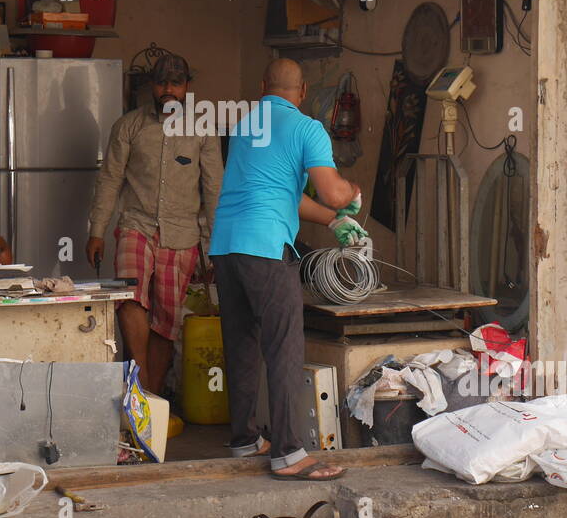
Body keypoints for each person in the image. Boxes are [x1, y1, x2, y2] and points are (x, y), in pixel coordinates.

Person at [209, 59, 367, 481]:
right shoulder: (306, 127)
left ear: (263, 86)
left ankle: (244, 439)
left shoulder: (245, 126)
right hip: (265, 247)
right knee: (284, 345)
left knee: (242, 341)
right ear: (302, 91)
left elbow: (285, 194)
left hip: (227, 247)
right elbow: (332, 191)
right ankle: (289, 453)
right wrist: (350, 195)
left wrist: (333, 222)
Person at [86, 53, 223, 393]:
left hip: (182, 233)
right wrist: (97, 231)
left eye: (175, 83)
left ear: (187, 87)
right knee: (129, 297)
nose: (168, 90)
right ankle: (142, 378)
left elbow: (214, 189)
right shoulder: (129, 125)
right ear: (152, 86)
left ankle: (153, 396)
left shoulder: (203, 129)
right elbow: (109, 180)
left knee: (167, 320)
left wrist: (217, 245)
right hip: (137, 224)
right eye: (162, 83)